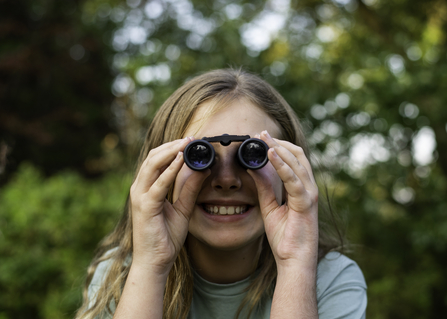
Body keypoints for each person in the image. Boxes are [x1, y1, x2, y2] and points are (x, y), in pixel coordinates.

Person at [76, 68, 367, 319]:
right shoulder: (124, 275)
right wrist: (151, 264)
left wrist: (295, 264)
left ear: (290, 169)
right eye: (199, 156)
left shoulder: (329, 279)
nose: (226, 180)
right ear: (161, 171)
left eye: (253, 155)